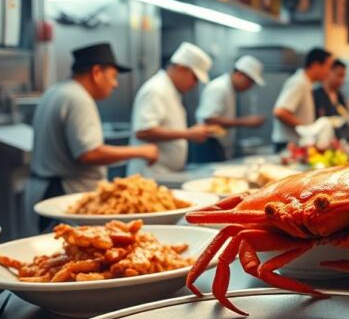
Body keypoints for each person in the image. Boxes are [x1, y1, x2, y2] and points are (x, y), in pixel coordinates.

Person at [24, 43, 158, 232]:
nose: (115, 83)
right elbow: (89, 153)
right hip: (63, 193)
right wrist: (141, 151)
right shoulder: (78, 98)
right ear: (96, 72)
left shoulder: (56, 91)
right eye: (112, 76)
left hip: (44, 189)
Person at [127, 42, 215, 177]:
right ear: (181, 68)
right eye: (194, 78)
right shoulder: (156, 89)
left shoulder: (171, 90)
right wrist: (188, 134)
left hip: (166, 173)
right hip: (151, 174)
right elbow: (143, 131)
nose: (194, 85)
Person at [196, 55, 267, 161]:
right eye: (250, 82)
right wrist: (245, 122)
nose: (250, 86)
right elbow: (209, 118)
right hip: (210, 145)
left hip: (220, 146)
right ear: (239, 74)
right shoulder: (219, 88)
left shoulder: (230, 90)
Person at [272, 47, 333, 151]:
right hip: (288, 144)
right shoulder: (299, 83)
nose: (328, 72)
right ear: (316, 65)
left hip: (296, 144)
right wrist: (307, 130)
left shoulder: (306, 83)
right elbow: (280, 112)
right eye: (328, 67)